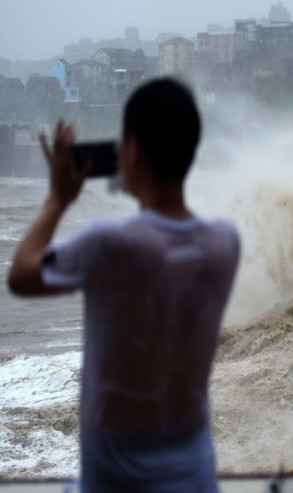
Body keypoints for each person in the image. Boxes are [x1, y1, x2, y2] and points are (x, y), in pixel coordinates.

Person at [7, 78, 240, 492]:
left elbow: (21, 275)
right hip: (197, 480)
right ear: (191, 151)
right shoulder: (224, 244)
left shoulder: (110, 245)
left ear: (132, 150)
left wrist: (58, 200)